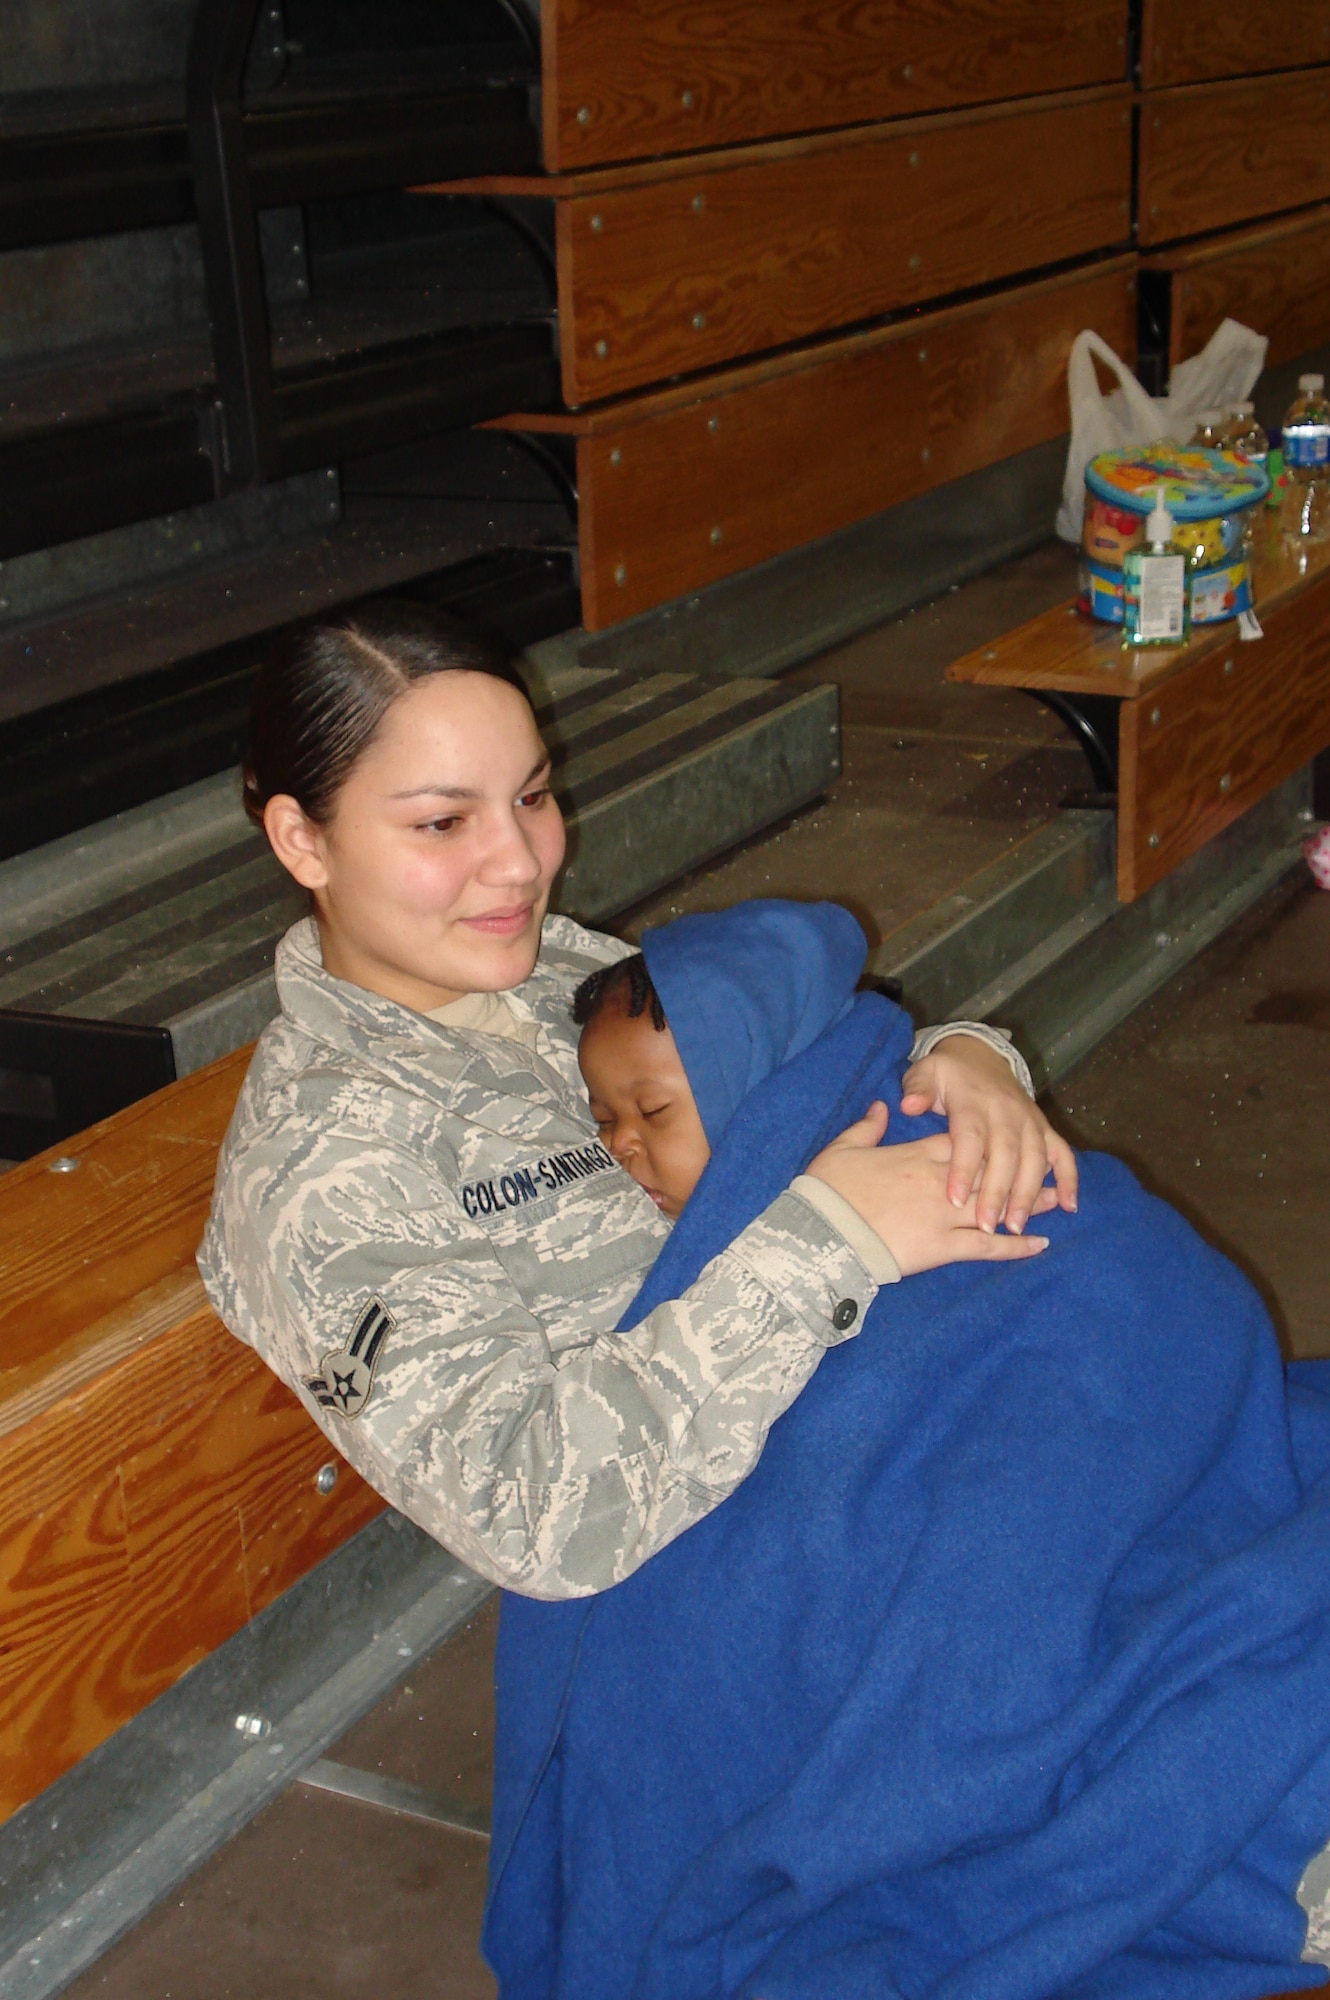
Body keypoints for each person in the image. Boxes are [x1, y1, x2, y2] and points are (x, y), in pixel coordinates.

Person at [485, 896, 1330, 2000]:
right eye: (603, 1118)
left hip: (1065, 1390)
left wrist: (965, 1052)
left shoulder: (863, 1121)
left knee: (1072, 1501)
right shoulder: (701, 1226)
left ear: (760, 1086)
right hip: (880, 1458)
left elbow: (1116, 1300)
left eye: (650, 1107)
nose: (623, 1143)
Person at [199, 600, 1075, 1600]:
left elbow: (795, 1067)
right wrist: (829, 1241)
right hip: (772, 1574)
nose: (522, 863)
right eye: (443, 821)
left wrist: (963, 1055)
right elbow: (537, 1516)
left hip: (921, 1433)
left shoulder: (554, 964)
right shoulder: (325, 1162)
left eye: (531, 797)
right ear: (303, 841)